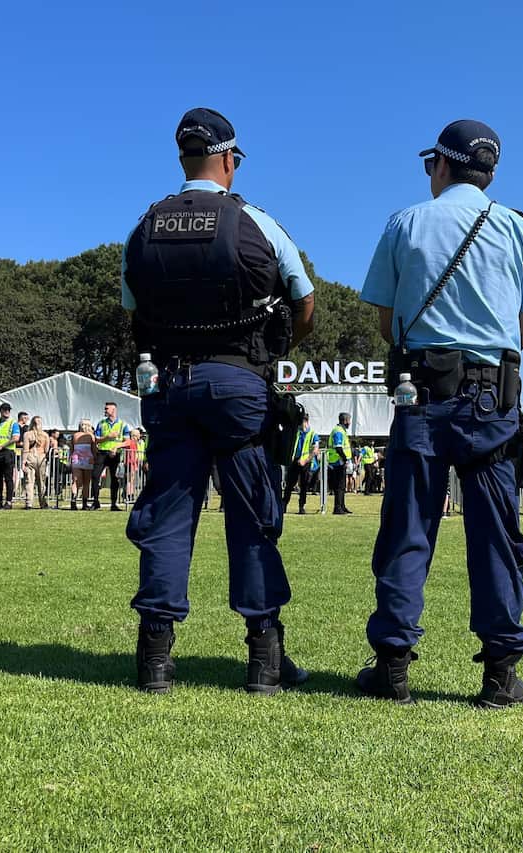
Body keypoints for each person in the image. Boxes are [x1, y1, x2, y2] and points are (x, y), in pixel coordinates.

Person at [356, 118, 523, 707]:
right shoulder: (520, 229)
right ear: (490, 173)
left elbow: (384, 317)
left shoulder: (406, 222)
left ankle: (393, 665)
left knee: (408, 527)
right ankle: (500, 673)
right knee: (496, 531)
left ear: (440, 165)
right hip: (494, 395)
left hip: (420, 393)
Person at [121, 107, 316, 694]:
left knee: (166, 520)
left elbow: (132, 312)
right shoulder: (257, 221)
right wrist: (272, 352)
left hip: (171, 388)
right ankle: (264, 660)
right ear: (230, 159)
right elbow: (304, 301)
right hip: (238, 387)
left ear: (183, 157)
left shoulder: (144, 226)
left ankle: (155, 659)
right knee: (253, 515)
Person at [93, 402, 131, 512]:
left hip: (115, 454)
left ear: (114, 410)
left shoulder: (122, 424)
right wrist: (107, 437)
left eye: (107, 408)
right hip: (102, 453)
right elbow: (97, 439)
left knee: (115, 479)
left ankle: (114, 504)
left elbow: (127, 441)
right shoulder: (101, 423)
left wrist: (116, 447)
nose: (104, 410)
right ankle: (95, 502)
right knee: (95, 476)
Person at [0, 403, 20, 510]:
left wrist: (1, 446)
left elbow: (15, 438)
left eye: (8, 410)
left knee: (8, 478)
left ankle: (9, 502)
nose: (7, 412)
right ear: (0, 411)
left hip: (8, 452)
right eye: (5, 410)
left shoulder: (13, 423)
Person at [282, 413, 317, 514]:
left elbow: (315, 450)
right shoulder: (296, 431)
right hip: (294, 461)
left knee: (304, 486)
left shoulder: (313, 434)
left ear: (305, 422)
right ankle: (284, 505)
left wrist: (305, 460)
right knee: (289, 485)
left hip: (305, 462)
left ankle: (301, 507)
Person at [22, 416, 51, 509]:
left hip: (30, 457)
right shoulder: (45, 435)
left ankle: (29, 503)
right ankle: (43, 503)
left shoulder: (27, 434)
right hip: (41, 457)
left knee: (29, 481)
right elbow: (46, 450)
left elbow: (25, 449)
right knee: (41, 482)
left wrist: (23, 461)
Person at [327, 413, 353, 514]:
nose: (350, 423)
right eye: (349, 420)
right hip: (338, 462)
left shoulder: (341, 430)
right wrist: (345, 459)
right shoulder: (338, 431)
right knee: (339, 486)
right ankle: (337, 508)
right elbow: (338, 447)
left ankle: (342, 506)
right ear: (345, 420)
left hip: (339, 461)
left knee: (342, 486)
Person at [69, 420, 96, 510]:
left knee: (75, 481)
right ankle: (84, 503)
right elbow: (94, 449)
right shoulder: (91, 436)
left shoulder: (75, 435)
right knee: (86, 483)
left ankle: (73, 501)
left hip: (76, 458)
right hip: (88, 459)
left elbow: (71, 448)